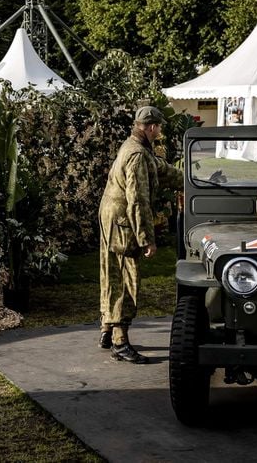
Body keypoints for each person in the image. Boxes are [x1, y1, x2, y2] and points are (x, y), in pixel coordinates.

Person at [98, 106, 183, 363]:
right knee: (126, 277)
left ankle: (106, 328)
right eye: (158, 127)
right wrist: (146, 239)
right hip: (123, 220)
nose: (160, 132)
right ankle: (120, 340)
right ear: (150, 127)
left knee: (111, 272)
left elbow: (159, 169)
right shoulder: (136, 155)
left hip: (113, 216)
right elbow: (138, 201)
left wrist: (191, 178)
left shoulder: (134, 147)